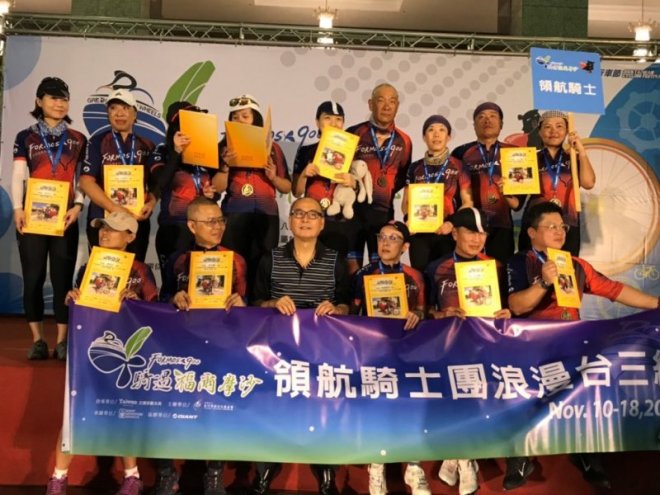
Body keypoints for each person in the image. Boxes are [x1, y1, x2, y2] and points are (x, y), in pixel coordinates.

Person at [506, 201, 659, 490]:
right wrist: (543, 282)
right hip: (532, 346)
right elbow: (516, 306)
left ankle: (584, 453)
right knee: (524, 399)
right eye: (550, 227)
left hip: (571, 342)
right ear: (532, 232)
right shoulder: (519, 262)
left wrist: (656, 302)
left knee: (582, 397)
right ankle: (521, 456)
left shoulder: (575, 264)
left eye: (561, 227)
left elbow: (615, 290)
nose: (559, 232)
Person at [46, 211, 158, 495]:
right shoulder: (88, 268)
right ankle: (58, 478)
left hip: (127, 355)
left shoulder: (141, 271)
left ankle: (132, 477)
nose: (105, 233)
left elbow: (156, 311)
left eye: (113, 229)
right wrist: (73, 298)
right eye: (102, 228)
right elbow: (83, 304)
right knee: (75, 411)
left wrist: (136, 302)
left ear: (130, 237)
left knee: (124, 411)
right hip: (91, 348)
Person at [252, 197, 350, 495]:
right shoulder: (270, 258)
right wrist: (272, 303)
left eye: (312, 215)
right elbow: (255, 303)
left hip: (323, 352)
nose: (305, 219)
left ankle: (326, 469)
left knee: (325, 406)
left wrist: (337, 309)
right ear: (290, 220)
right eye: (298, 213)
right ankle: (266, 467)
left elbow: (348, 305)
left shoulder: (336, 260)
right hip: (277, 353)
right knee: (272, 407)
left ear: (322, 223)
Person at [156, 196, 247, 495]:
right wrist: (174, 298)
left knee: (219, 408)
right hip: (181, 346)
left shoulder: (236, 260)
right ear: (192, 226)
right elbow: (163, 297)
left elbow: (247, 302)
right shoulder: (178, 259)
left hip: (222, 346)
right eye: (210, 222)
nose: (217, 227)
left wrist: (241, 302)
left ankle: (214, 475)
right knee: (168, 409)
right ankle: (167, 473)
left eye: (220, 221)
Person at [425, 207, 511, 495]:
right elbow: (424, 309)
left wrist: (506, 313)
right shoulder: (436, 268)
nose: (477, 239)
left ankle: (459, 459)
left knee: (476, 402)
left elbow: (507, 306)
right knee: (454, 403)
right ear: (454, 233)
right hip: (446, 349)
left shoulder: (496, 267)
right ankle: (464, 461)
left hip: (482, 348)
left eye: (482, 233)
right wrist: (440, 314)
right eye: (471, 232)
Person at [350, 220, 429, 495]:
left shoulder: (415, 276)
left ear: (405, 247)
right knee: (377, 409)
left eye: (393, 238)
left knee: (411, 406)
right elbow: (351, 314)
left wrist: (418, 314)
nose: (385, 243)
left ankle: (414, 467)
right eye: (382, 237)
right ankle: (376, 468)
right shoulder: (363, 274)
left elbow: (424, 311)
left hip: (408, 352)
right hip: (373, 353)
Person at [11, 76, 87, 360]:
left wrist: (77, 206)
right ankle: (38, 340)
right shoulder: (25, 136)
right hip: (33, 218)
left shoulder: (78, 138)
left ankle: (62, 341)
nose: (59, 104)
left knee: (62, 280)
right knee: (32, 279)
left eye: (64, 99)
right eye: (53, 98)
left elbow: (81, 179)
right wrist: (17, 208)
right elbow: (19, 175)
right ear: (39, 101)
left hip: (64, 218)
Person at [216, 94, 291, 295]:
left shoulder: (273, 148)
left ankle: (258, 307)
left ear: (256, 119)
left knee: (262, 268)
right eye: (235, 117)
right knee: (233, 266)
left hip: (266, 216)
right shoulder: (223, 148)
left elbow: (286, 187)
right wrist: (225, 166)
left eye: (245, 116)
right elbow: (217, 187)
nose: (240, 121)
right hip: (235, 213)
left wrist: (273, 177)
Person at [80, 88, 156, 262]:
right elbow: (86, 181)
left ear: (135, 114)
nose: (119, 113)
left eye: (126, 108)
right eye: (113, 108)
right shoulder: (96, 142)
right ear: (108, 114)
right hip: (103, 219)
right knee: (103, 272)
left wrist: (151, 202)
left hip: (136, 219)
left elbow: (155, 183)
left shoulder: (147, 145)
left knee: (135, 272)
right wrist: (114, 208)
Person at [149, 101, 222, 274]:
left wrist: (211, 194)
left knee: (203, 283)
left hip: (204, 228)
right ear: (177, 126)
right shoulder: (162, 151)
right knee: (173, 283)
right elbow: (161, 182)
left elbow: (216, 190)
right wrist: (176, 152)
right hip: (174, 227)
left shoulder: (207, 153)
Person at [346, 83, 412, 272]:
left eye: (392, 101)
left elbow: (403, 176)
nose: (387, 106)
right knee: (351, 267)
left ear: (397, 106)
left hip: (383, 214)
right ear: (370, 104)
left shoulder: (404, 140)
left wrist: (384, 188)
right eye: (381, 100)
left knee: (381, 268)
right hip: (353, 213)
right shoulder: (353, 133)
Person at [517, 110, 596, 256]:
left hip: (567, 223)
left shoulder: (573, 158)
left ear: (567, 131)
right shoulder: (529, 159)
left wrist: (581, 151)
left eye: (559, 126)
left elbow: (588, 183)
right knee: (532, 266)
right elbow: (516, 201)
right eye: (547, 127)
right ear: (539, 131)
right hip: (536, 224)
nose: (553, 131)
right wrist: (505, 187)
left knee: (565, 269)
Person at [452, 102, 520, 264]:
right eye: (481, 117)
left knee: (499, 272)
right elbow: (452, 193)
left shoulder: (515, 153)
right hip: (470, 226)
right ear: (474, 125)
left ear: (501, 124)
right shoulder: (460, 152)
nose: (487, 120)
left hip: (502, 226)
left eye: (492, 116)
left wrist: (508, 192)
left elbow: (517, 204)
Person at [402, 115, 471, 273]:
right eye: (431, 130)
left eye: (442, 130)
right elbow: (405, 203)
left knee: (445, 277)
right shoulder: (415, 167)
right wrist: (409, 220)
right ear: (424, 137)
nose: (436, 134)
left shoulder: (459, 166)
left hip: (447, 232)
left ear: (449, 137)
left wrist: (451, 223)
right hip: (419, 234)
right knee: (421, 277)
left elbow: (468, 202)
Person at [292, 100, 358, 262]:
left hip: (340, 222)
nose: (333, 123)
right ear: (317, 122)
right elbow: (296, 192)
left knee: (338, 269)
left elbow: (361, 188)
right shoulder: (306, 151)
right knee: (310, 266)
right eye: (327, 118)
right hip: (312, 221)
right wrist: (304, 175)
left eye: (338, 119)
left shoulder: (353, 152)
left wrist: (353, 182)